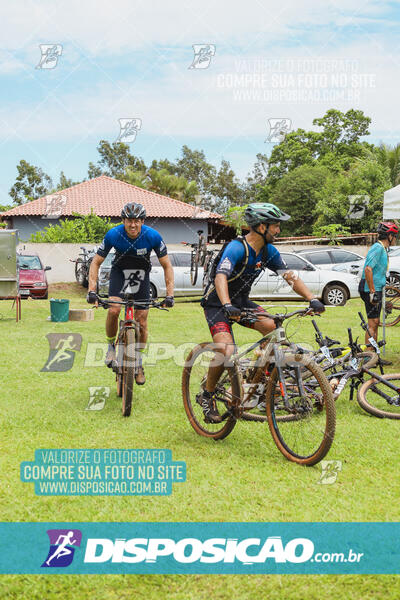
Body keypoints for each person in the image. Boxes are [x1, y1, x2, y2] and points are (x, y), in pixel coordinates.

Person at [200, 202, 326, 423]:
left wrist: (312, 298)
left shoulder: (268, 251)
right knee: (226, 350)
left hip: (241, 301)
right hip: (217, 304)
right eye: (275, 226)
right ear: (260, 227)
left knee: (272, 328)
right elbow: (221, 276)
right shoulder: (237, 248)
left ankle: (257, 378)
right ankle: (207, 395)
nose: (278, 230)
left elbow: (290, 276)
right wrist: (228, 306)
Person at [87, 202, 174, 385]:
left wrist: (170, 295)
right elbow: (95, 263)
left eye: (136, 221)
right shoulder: (113, 234)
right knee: (114, 310)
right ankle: (111, 346)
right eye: (129, 221)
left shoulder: (152, 236)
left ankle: (139, 361)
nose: (132, 225)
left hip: (142, 276)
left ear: (142, 221)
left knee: (142, 320)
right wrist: (92, 291)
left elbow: (167, 266)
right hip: (119, 273)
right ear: (123, 220)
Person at [359, 221, 399, 344]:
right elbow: (368, 269)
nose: (396, 239)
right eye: (395, 236)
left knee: (375, 322)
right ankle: (368, 357)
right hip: (370, 289)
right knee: (373, 323)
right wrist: (372, 292)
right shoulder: (377, 248)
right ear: (390, 236)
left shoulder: (383, 249)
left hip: (376, 288)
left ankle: (373, 355)